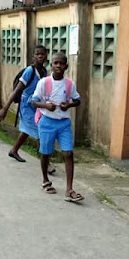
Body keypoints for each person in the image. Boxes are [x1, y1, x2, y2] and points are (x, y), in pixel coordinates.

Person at [31, 52, 84, 202]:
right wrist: (45, 105)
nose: (58, 66)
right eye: (56, 63)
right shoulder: (44, 83)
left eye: (61, 63)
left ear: (66, 66)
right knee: (45, 153)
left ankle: (69, 189)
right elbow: (34, 101)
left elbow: (78, 100)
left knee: (68, 153)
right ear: (51, 65)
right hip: (47, 122)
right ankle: (45, 180)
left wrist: (69, 104)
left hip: (64, 124)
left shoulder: (69, 84)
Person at [0, 45, 48, 161]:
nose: (40, 56)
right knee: (39, 131)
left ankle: (14, 150)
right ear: (33, 57)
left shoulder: (44, 72)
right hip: (26, 106)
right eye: (37, 54)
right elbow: (17, 91)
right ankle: (45, 162)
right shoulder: (29, 71)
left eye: (42, 54)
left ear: (46, 56)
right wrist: (5, 108)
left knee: (27, 130)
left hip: (36, 106)